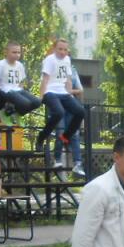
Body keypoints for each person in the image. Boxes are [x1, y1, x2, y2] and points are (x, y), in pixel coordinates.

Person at [40, 38, 87, 176]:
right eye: (60, 49)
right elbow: (45, 79)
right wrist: (41, 97)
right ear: (55, 49)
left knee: (79, 113)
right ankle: (57, 158)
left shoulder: (68, 62)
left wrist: (69, 95)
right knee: (59, 119)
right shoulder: (50, 60)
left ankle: (73, 154)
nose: (63, 52)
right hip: (52, 94)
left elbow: (68, 82)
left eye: (65, 50)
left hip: (64, 95)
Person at [0, 41, 43, 117]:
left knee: (37, 102)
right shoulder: (1, 64)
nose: (17, 55)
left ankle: (15, 113)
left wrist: (21, 90)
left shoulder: (20, 65)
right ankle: (6, 109)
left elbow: (21, 80)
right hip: (6, 91)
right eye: (14, 52)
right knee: (25, 103)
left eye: (19, 52)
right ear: (6, 52)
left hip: (17, 90)